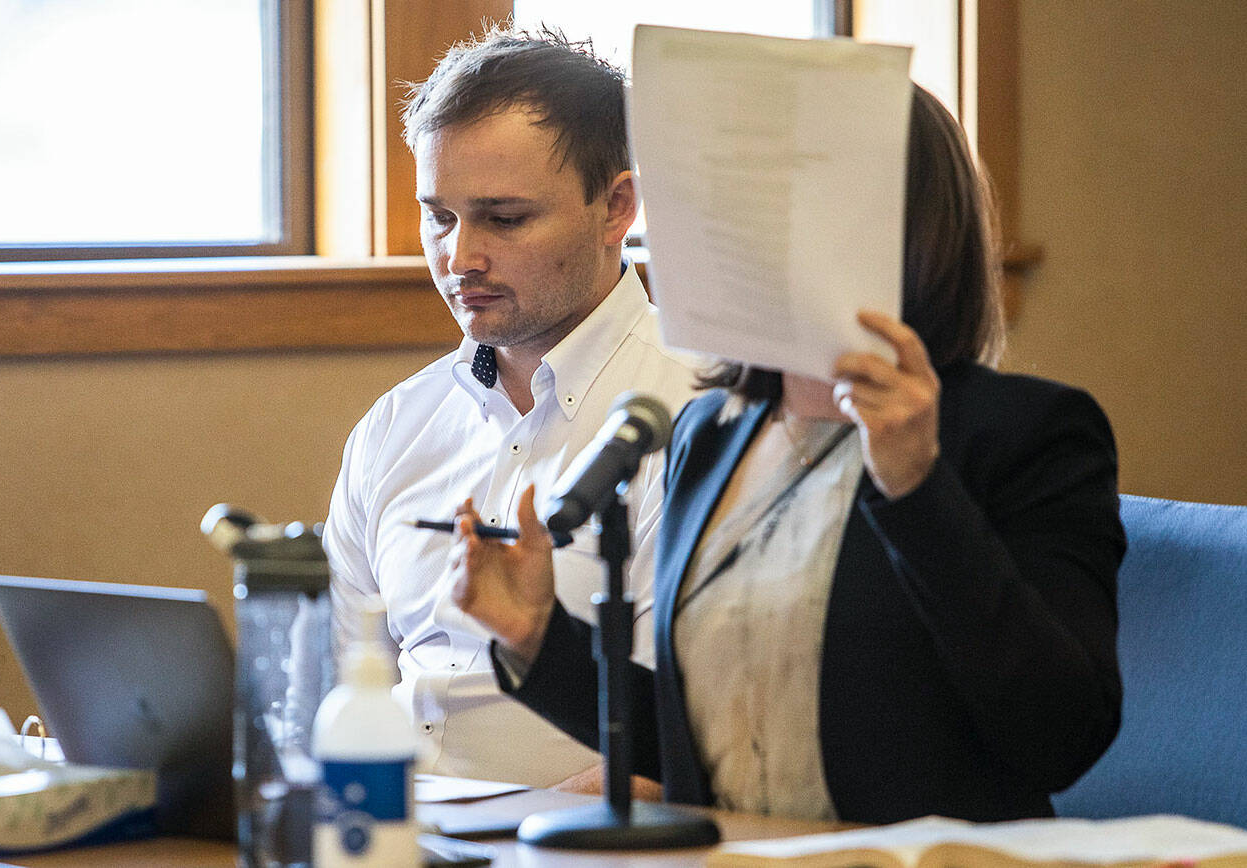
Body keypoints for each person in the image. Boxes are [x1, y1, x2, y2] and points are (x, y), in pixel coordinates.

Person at [449, 84, 1126, 824]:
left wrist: (918, 487)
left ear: (902, 229)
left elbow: (1062, 736)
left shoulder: (1028, 434)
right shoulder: (711, 429)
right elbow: (695, 741)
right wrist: (538, 635)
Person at [321, 27, 699, 788]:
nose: (460, 258)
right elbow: (336, 690)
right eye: (440, 217)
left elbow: (701, 740)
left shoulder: (696, 408)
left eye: (504, 218)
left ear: (616, 206)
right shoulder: (395, 426)